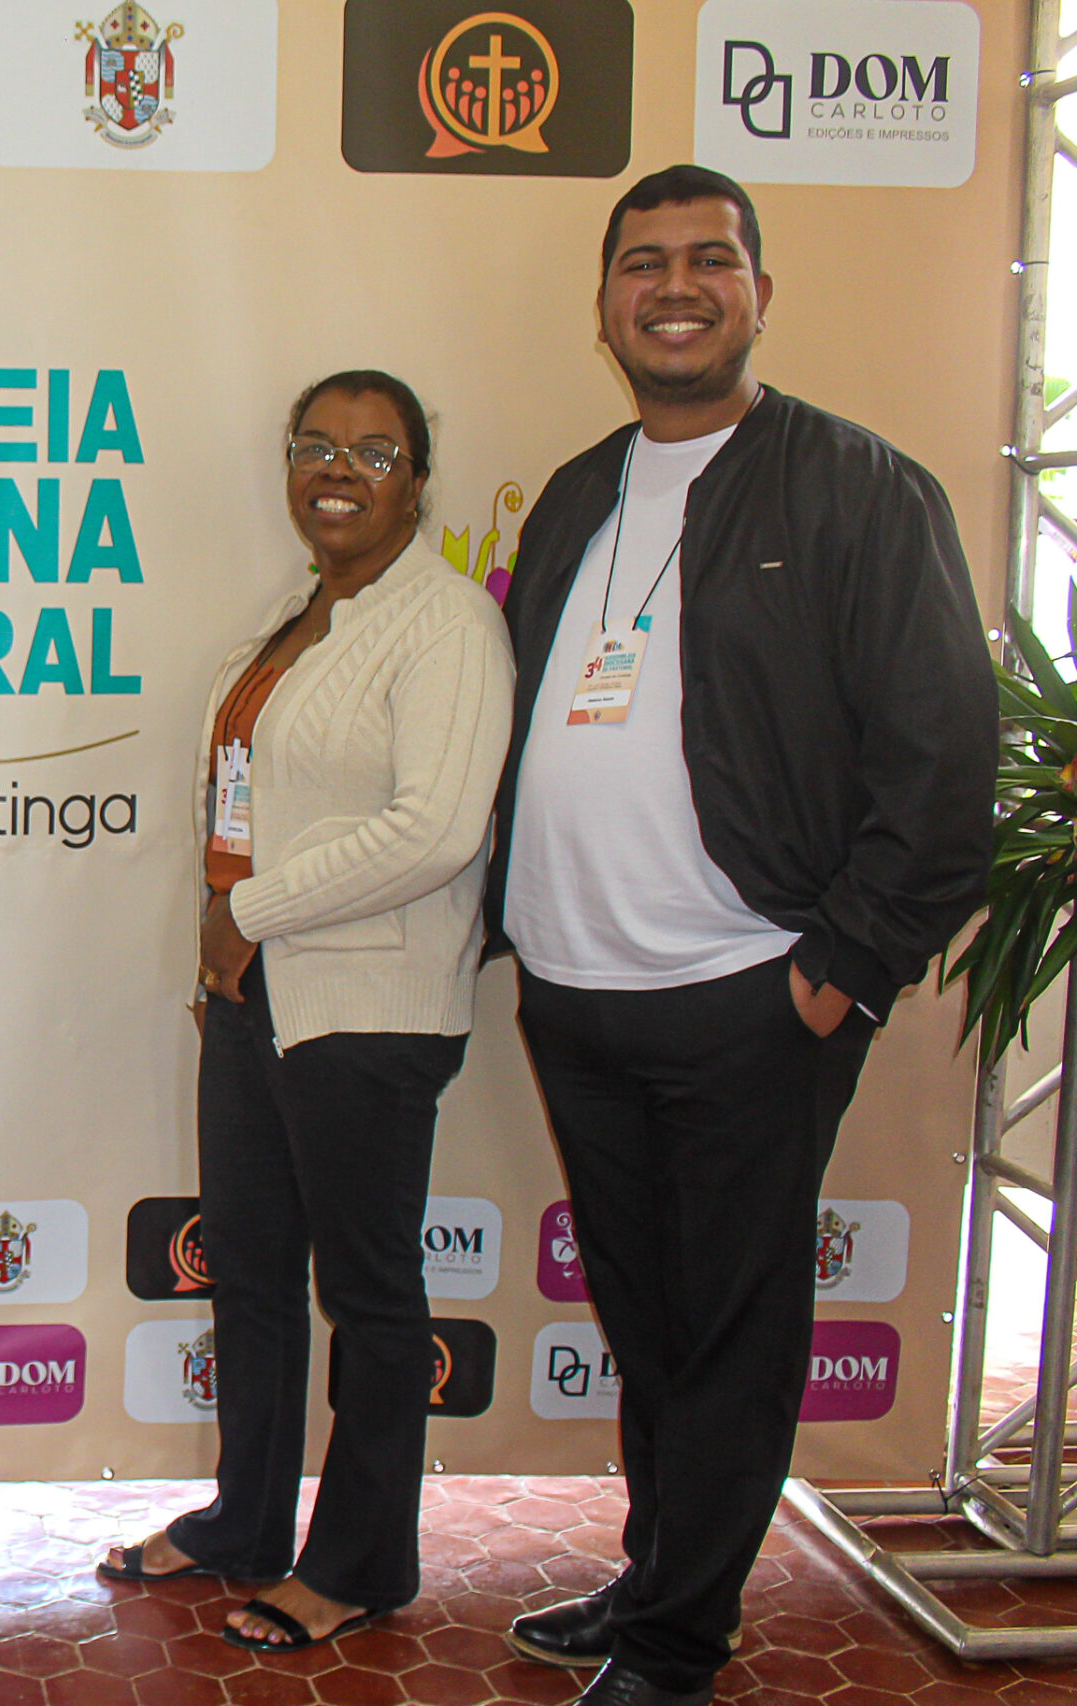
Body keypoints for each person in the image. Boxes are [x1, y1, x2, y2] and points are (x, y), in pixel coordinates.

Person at [489, 166, 994, 1706]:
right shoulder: (579, 491)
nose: (676, 287)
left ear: (761, 294)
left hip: (750, 996)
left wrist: (840, 970)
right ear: (604, 307)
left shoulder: (862, 489)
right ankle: (660, 1573)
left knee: (733, 1328)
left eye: (711, 260)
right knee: (649, 1320)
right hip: (577, 990)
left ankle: (677, 1644)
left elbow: (942, 762)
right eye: (643, 263)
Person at [99, 372, 513, 1652]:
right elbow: (247, 808)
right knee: (254, 1276)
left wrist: (254, 909)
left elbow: (436, 829)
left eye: (373, 453)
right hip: (253, 994)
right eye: (315, 446)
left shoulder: (447, 623)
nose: (338, 470)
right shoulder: (295, 618)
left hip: (367, 1009)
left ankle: (359, 1561)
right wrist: (225, 949)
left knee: (372, 1298)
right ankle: (245, 1521)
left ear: (418, 481)